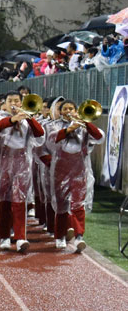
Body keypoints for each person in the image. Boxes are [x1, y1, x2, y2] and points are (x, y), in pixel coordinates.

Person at [0, 91, 44, 252]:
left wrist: (29, 118)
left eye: (17, 101)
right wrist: (13, 120)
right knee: (4, 201)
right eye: (10, 101)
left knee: (20, 201)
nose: (13, 104)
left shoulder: (27, 119)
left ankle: (20, 237)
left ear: (21, 103)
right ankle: (4, 236)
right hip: (3, 164)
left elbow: (40, 136)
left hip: (22, 165)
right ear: (4, 104)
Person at [45, 100, 104, 252]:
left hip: (79, 170)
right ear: (61, 111)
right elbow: (51, 141)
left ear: (77, 110)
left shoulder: (84, 126)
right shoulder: (54, 125)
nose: (68, 111)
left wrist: (85, 123)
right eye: (65, 109)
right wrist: (69, 129)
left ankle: (79, 236)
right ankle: (60, 236)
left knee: (78, 204)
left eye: (71, 108)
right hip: (60, 169)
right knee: (61, 204)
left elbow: (99, 137)